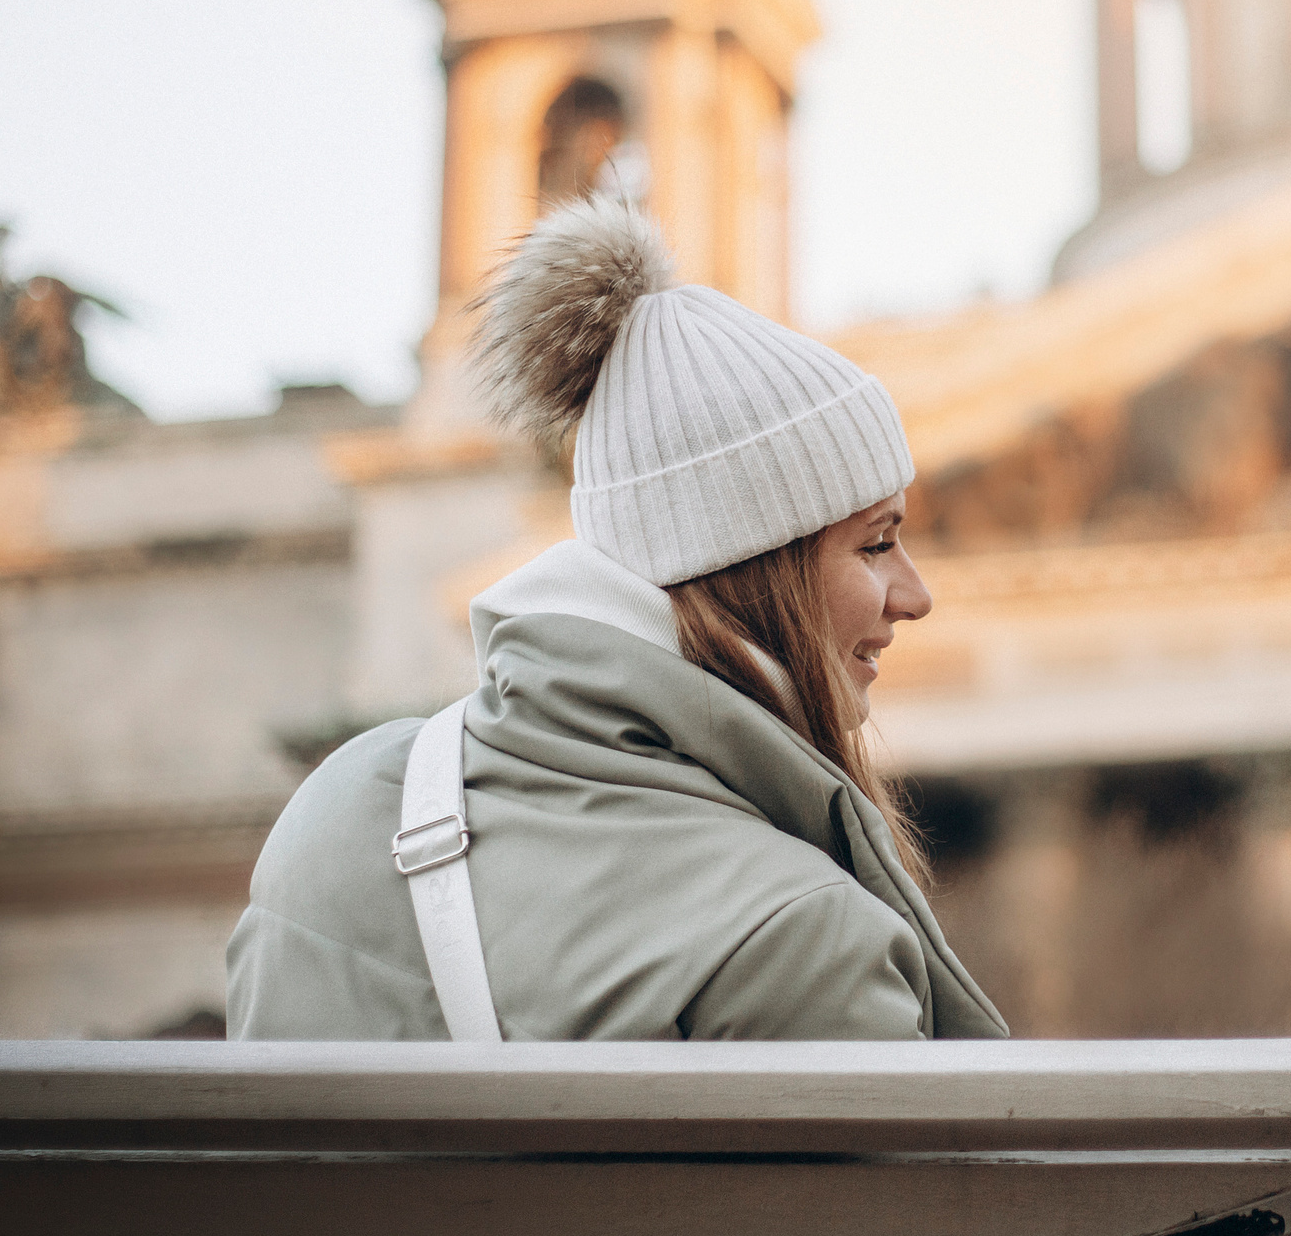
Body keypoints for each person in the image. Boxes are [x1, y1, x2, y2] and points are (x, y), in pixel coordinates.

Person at [226, 194, 1006, 1041]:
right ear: (754, 565)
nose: (916, 595)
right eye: (876, 543)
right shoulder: (806, 940)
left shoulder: (336, 813)